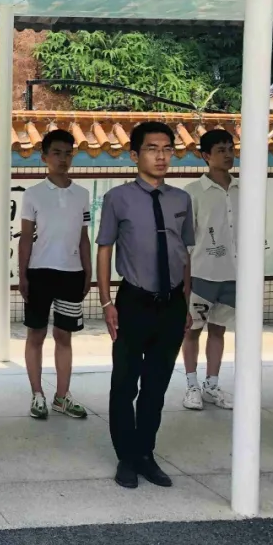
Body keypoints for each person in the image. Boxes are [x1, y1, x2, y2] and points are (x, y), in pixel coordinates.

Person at [96, 122, 194, 490]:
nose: (161, 156)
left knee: (156, 385)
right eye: (153, 148)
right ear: (135, 155)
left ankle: (145, 454)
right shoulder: (118, 198)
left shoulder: (181, 200)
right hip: (133, 301)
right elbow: (104, 250)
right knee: (125, 383)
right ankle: (126, 457)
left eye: (167, 148)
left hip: (172, 303)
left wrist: (185, 301)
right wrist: (106, 301)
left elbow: (185, 253)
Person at [18, 129, 91, 421]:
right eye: (57, 153)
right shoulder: (33, 194)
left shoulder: (82, 195)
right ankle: (37, 394)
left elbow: (84, 237)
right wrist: (23, 275)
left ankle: (62, 396)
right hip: (39, 273)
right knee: (36, 334)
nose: (63, 159)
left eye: (68, 153)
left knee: (64, 335)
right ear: (44, 157)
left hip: (72, 274)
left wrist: (88, 270)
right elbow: (25, 238)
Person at [181, 130, 238, 411]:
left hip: (233, 276)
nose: (228, 155)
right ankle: (191, 385)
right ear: (205, 156)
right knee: (192, 330)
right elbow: (185, 241)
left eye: (230, 149)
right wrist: (185, 281)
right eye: (220, 150)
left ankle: (211, 385)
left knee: (218, 330)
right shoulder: (193, 193)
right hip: (201, 275)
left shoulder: (244, 189)